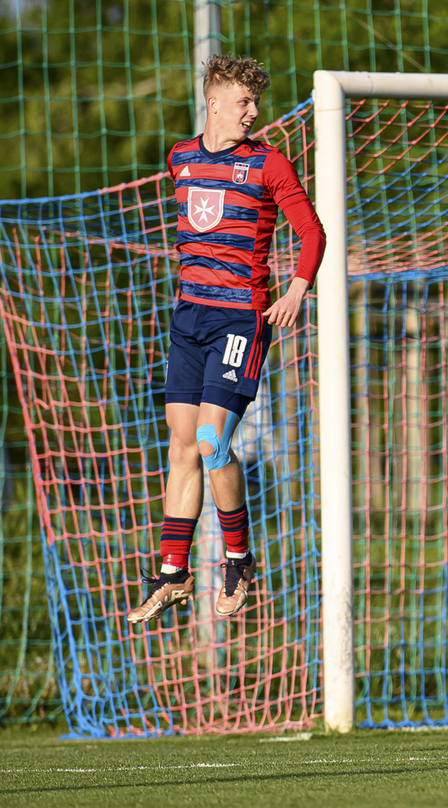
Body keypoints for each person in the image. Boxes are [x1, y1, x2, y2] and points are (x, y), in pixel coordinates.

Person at [127, 54, 325, 625]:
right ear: (213, 102)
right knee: (182, 446)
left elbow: (312, 232)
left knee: (213, 440)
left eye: (255, 102)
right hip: (188, 318)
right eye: (244, 101)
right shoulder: (180, 158)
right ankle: (173, 572)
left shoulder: (269, 164)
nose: (253, 111)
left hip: (240, 320)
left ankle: (238, 561)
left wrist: (296, 290)